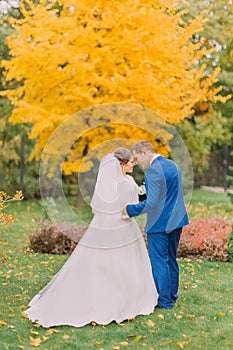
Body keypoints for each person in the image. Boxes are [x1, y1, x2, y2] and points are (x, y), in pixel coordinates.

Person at [25, 147, 158, 328]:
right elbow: (131, 207)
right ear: (122, 164)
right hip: (123, 226)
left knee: (101, 261)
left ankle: (102, 294)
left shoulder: (110, 183)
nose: (133, 165)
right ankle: (122, 299)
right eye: (131, 162)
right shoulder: (126, 183)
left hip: (104, 224)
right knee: (124, 262)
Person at [123, 140, 189, 309]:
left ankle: (165, 301)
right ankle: (172, 296)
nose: (137, 164)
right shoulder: (172, 165)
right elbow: (168, 194)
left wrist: (129, 210)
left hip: (159, 224)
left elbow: (152, 203)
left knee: (159, 261)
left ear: (144, 152)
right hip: (177, 220)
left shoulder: (152, 171)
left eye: (137, 158)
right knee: (171, 259)